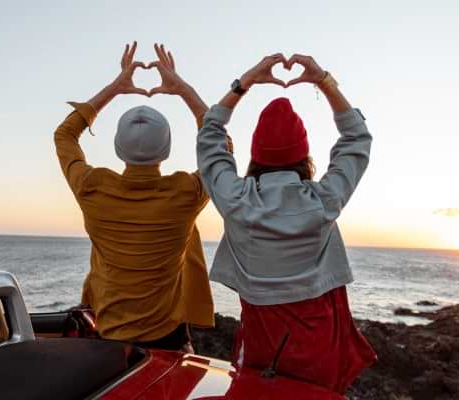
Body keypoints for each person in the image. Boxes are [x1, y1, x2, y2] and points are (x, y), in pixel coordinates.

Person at [197, 53, 376, 393]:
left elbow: (210, 135)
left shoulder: (236, 200)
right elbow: (357, 139)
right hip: (318, 344)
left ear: (255, 157)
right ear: (305, 158)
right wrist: (324, 81)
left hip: (262, 343)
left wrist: (244, 82)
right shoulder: (323, 200)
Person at [53, 42, 213, 350]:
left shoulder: (92, 187)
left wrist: (114, 88)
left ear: (117, 147)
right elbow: (220, 147)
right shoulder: (185, 193)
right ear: (166, 149)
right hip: (169, 337)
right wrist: (184, 90)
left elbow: (64, 134)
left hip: (108, 336)